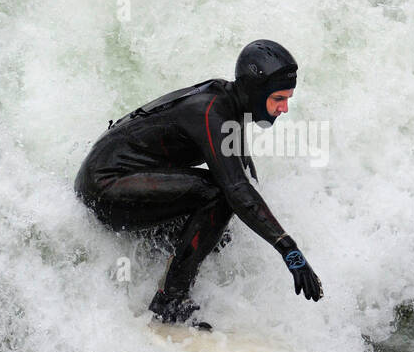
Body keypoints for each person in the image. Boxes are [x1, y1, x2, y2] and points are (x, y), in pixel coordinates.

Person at [74, 40, 324, 329]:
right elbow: (236, 190)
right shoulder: (211, 112)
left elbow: (245, 177)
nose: (285, 108)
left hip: (117, 181)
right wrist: (289, 251)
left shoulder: (232, 104)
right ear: (255, 93)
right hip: (104, 187)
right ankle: (170, 300)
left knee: (220, 230)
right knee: (218, 195)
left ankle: (167, 263)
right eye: (279, 98)